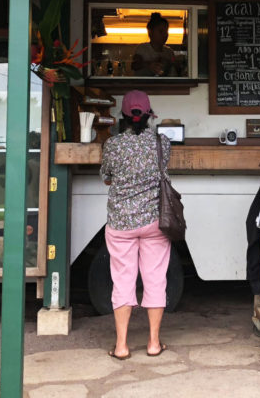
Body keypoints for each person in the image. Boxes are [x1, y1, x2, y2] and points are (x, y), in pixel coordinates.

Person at [100, 90, 172, 359]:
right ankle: (153, 343)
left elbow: (106, 176)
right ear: (149, 115)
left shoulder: (113, 145)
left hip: (121, 222)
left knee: (122, 280)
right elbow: (163, 172)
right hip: (155, 221)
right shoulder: (161, 143)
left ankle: (121, 346)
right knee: (155, 279)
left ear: (124, 116)